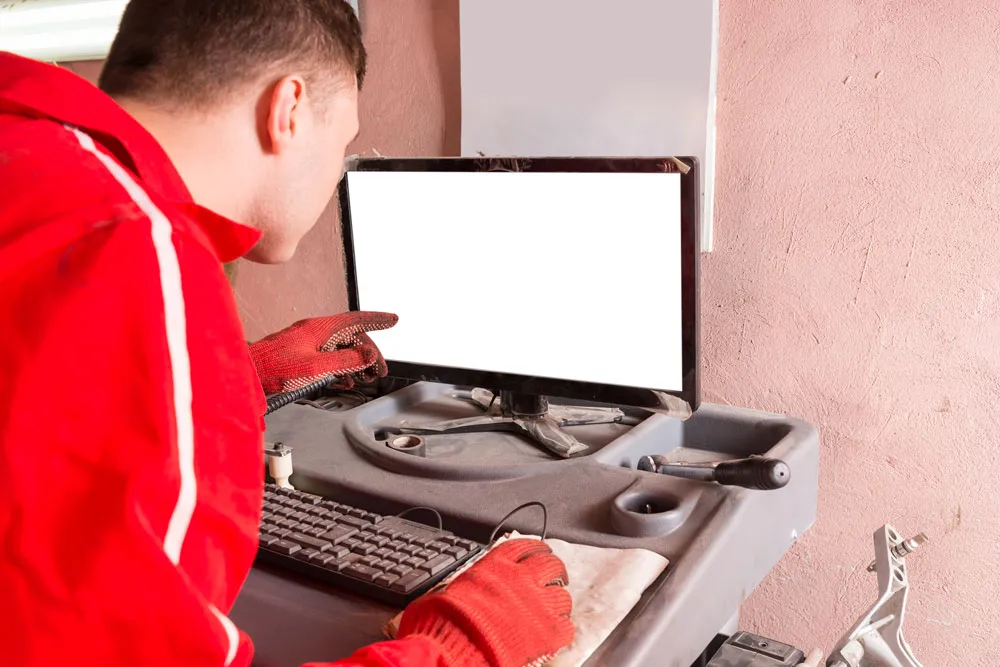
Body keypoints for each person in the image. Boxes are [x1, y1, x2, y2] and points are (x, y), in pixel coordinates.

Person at [0, 1, 574, 666]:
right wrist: (459, 647)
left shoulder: (34, 164)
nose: (335, 173)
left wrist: (229, 376)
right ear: (289, 110)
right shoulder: (139, 244)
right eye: (343, 143)